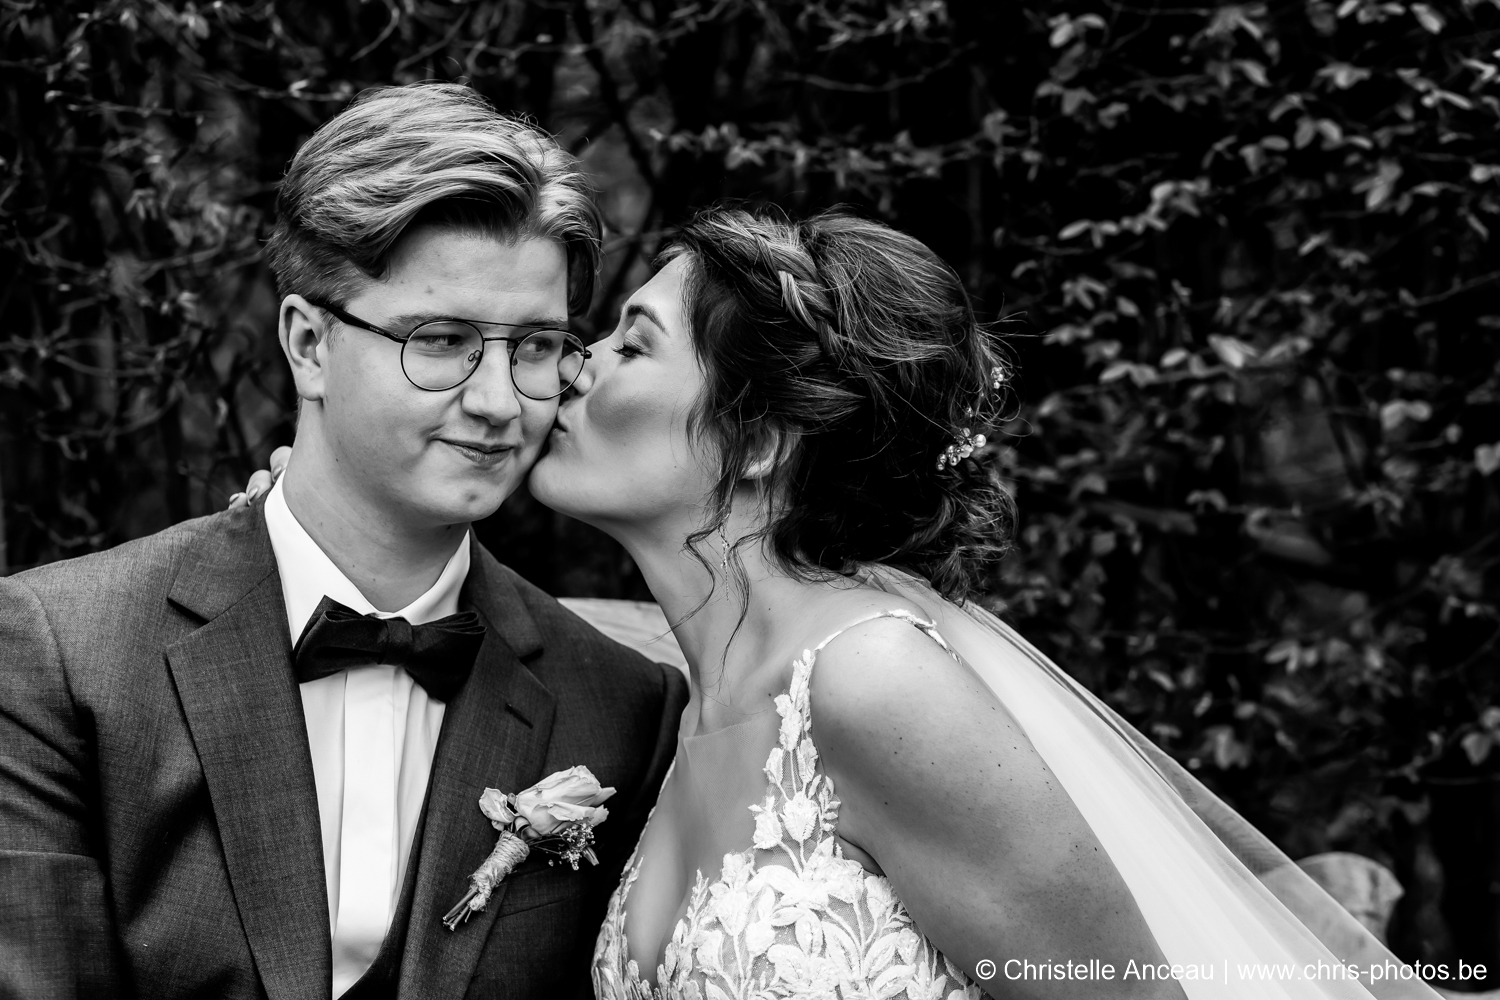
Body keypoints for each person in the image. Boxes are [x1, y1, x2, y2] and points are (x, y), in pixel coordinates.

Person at [241, 207, 1442, 1000]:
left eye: (633, 344)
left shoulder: (877, 683)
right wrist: (309, 530)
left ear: (760, 439)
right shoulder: (678, 704)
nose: (574, 364)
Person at [0, 83, 686, 1000]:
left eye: (533, 346)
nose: (497, 402)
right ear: (308, 344)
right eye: (441, 340)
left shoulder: (625, 705)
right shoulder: (57, 652)